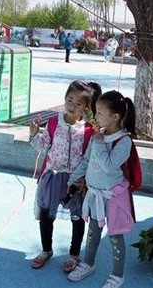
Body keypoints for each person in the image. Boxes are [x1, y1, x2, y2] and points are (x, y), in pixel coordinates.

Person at [28, 80, 102, 272]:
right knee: (47, 215)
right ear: (64, 99)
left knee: (77, 218)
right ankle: (46, 250)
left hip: (75, 181)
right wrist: (34, 134)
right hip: (53, 177)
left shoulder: (89, 131)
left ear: (86, 108)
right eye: (70, 100)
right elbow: (43, 147)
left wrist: (84, 179)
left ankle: (74, 254)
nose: (72, 105)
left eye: (78, 103)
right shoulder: (53, 123)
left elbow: (90, 158)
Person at [67, 90, 138, 288]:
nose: (95, 115)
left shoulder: (124, 141)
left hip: (113, 197)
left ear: (115, 117)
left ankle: (117, 275)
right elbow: (87, 161)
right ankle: (88, 263)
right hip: (94, 194)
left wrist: (98, 141)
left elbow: (108, 165)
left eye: (99, 112)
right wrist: (73, 180)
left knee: (115, 236)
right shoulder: (98, 136)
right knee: (93, 231)